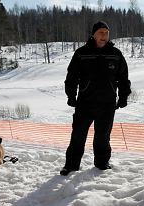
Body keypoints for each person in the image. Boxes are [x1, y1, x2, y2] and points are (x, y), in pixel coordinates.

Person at [60, 21, 131, 176]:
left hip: (107, 104)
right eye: (100, 32)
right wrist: (71, 96)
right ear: (93, 34)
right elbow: (71, 77)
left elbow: (123, 78)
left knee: (103, 137)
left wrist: (123, 96)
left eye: (106, 32)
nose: (104, 36)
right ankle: (71, 165)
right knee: (78, 135)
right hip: (85, 104)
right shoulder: (81, 53)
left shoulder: (116, 54)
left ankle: (102, 163)